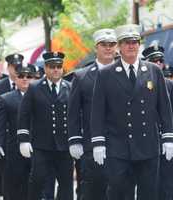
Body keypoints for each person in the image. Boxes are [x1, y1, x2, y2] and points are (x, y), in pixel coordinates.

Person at [90, 24, 173, 200]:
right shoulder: (106, 74)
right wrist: (98, 141)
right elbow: (97, 111)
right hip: (118, 147)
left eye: (135, 41)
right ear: (119, 46)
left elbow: (164, 108)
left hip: (148, 145)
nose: (131, 45)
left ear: (139, 44)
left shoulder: (153, 70)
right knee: (120, 193)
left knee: (149, 193)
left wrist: (168, 137)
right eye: (127, 42)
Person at [68, 28, 118, 200]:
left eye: (112, 44)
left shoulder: (126, 72)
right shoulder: (81, 76)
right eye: (104, 44)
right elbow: (73, 112)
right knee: (93, 191)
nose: (108, 48)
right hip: (91, 145)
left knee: (120, 191)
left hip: (122, 144)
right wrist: (74, 139)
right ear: (96, 47)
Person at [17, 51, 74, 200]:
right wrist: (24, 139)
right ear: (46, 68)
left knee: (66, 183)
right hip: (42, 145)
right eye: (52, 66)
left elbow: (76, 115)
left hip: (64, 145)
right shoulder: (34, 87)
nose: (56, 69)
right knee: (37, 181)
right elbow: (24, 114)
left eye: (59, 66)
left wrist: (76, 139)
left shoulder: (70, 87)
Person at [0, 64, 35, 200]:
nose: (25, 79)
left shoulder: (40, 96)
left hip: (38, 147)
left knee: (35, 185)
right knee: (14, 185)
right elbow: (0, 124)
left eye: (29, 76)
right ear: (15, 79)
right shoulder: (6, 98)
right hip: (14, 148)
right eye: (21, 76)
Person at [0, 53, 24, 200]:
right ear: (8, 68)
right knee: (0, 175)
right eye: (14, 67)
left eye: (19, 67)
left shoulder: (27, 84)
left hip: (19, 136)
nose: (16, 71)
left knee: (20, 176)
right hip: (2, 135)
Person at [142, 44, 173, 200]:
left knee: (167, 182)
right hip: (147, 141)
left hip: (167, 140)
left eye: (160, 60)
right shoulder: (140, 83)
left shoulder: (169, 85)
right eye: (154, 61)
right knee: (149, 183)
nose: (158, 64)